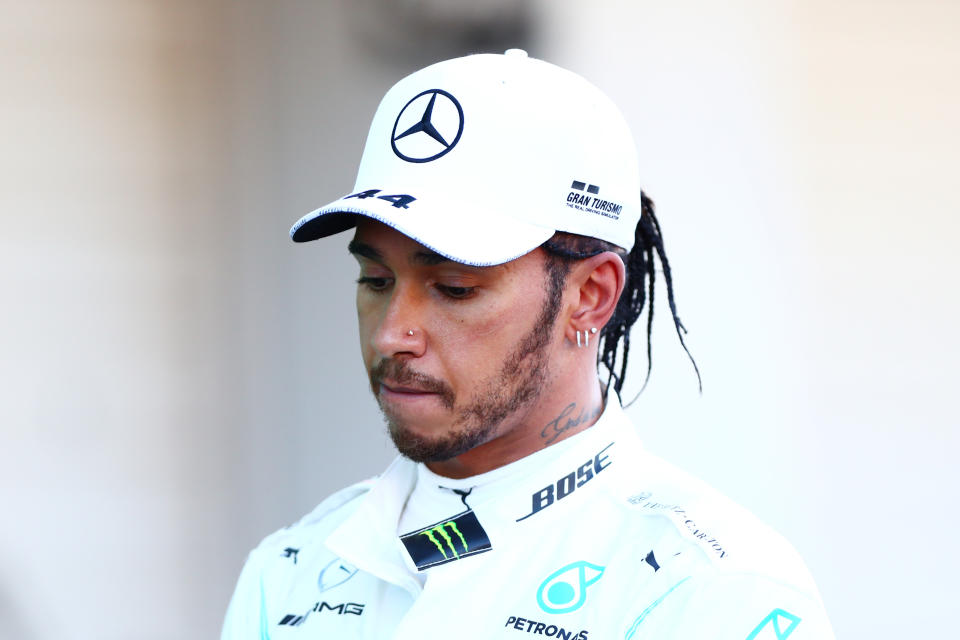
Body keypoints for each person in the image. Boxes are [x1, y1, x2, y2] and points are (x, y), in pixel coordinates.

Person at [222, 50, 834, 639]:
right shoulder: (290, 572)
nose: (391, 334)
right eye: (375, 280)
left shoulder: (713, 592)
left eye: (455, 288)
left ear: (591, 294)